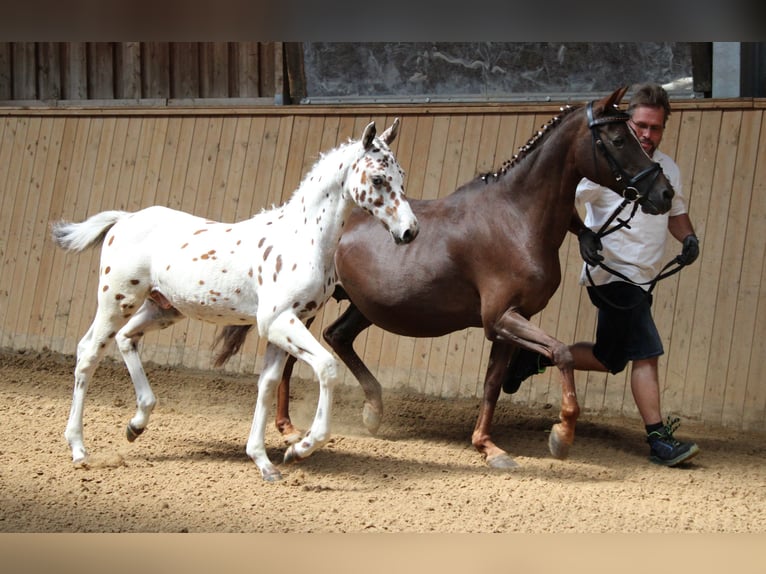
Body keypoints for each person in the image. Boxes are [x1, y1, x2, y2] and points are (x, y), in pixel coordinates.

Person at [506, 83, 701, 467]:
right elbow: (562, 204)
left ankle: (534, 359)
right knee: (647, 352)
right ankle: (659, 440)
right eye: (641, 125)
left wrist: (689, 237)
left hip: (643, 279)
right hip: (612, 276)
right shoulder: (605, 167)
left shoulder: (667, 168)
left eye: (655, 128)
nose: (647, 135)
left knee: (610, 357)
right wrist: (584, 235)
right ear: (628, 122)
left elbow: (675, 211)